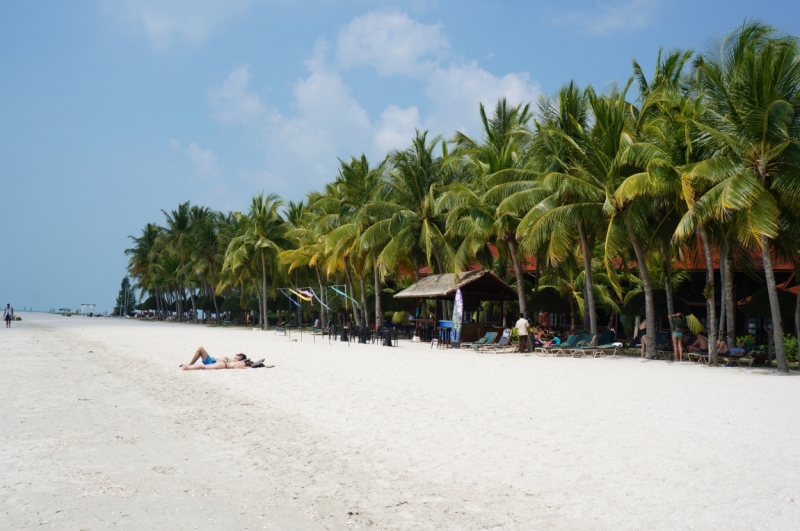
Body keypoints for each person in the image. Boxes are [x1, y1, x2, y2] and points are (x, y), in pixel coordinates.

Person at [180, 346, 264, 370]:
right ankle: (188, 365)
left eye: (238, 355)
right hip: (215, 362)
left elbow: (235, 365)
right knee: (200, 349)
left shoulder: (239, 363)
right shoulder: (240, 363)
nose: (236, 355)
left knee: (203, 367)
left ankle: (188, 367)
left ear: (241, 357)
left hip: (215, 362)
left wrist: (225, 359)